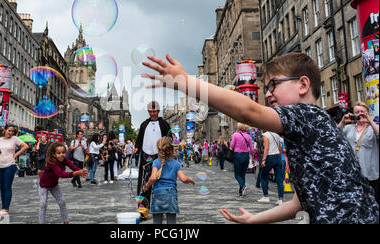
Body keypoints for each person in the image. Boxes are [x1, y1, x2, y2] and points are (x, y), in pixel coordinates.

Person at [142, 52, 379, 223]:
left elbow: (249, 111)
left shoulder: (307, 115)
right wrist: (255, 219)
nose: (267, 94)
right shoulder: (311, 128)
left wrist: (186, 83)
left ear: (303, 85)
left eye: (273, 85)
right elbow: (298, 203)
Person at [142, 137, 195, 224]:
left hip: (158, 194)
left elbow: (152, 178)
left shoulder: (156, 162)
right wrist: (190, 179)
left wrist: (146, 186)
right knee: (171, 221)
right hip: (171, 194)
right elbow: (183, 179)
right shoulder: (176, 163)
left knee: (157, 221)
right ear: (171, 149)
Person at [134, 101, 171, 220]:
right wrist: (136, 147)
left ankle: (162, 210)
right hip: (146, 156)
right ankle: (143, 211)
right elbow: (139, 139)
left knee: (161, 182)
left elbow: (168, 139)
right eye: (150, 111)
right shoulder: (144, 124)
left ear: (158, 111)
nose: (152, 113)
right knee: (145, 184)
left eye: (154, 111)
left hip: (160, 156)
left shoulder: (164, 124)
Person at [338, 101, 379, 205]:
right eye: (357, 112)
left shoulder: (372, 128)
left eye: (362, 111)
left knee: (373, 202)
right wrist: (343, 122)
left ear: (367, 113)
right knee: (357, 203)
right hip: (353, 174)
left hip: (370, 174)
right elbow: (334, 135)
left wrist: (369, 120)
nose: (360, 113)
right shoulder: (348, 128)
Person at [39, 143, 89, 224]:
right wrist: (76, 173)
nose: (61, 155)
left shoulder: (65, 160)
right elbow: (61, 174)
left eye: (63, 152)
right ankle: (41, 222)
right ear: (54, 154)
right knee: (43, 203)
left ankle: (66, 221)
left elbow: (73, 167)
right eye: (59, 153)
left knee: (62, 201)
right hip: (44, 185)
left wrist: (81, 171)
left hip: (54, 185)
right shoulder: (51, 163)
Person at [0, 125, 29, 216]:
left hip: (10, 165)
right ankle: (3, 207)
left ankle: (5, 208)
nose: (10, 133)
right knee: (1, 187)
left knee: (7, 186)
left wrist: (16, 154)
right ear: (5, 130)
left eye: (12, 131)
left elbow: (25, 146)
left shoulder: (14, 139)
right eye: (9, 130)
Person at [258, 130, 284, 205]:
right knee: (279, 179)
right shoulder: (277, 134)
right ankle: (280, 199)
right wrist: (279, 156)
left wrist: (264, 159)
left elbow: (266, 148)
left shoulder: (266, 135)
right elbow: (280, 148)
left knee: (263, 177)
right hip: (277, 157)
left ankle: (266, 196)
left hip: (269, 157)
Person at [230, 123, 254, 198]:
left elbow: (231, 145)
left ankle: (243, 186)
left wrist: (231, 146)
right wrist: (252, 157)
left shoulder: (235, 135)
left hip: (238, 155)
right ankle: (241, 192)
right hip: (246, 155)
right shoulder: (248, 136)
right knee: (243, 174)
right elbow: (252, 149)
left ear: (239, 127)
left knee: (237, 174)